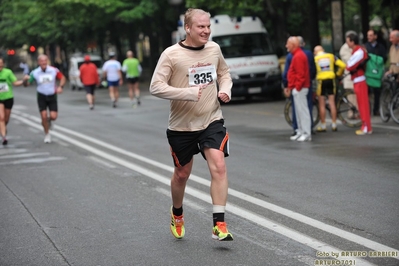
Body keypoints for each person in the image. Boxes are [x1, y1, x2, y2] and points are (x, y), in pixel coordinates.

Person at [149, 8, 233, 241]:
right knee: (182, 174)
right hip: (182, 126)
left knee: (219, 165)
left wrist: (225, 89)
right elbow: (155, 86)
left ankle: (219, 223)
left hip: (211, 120)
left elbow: (224, 73)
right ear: (188, 28)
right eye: (201, 27)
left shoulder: (214, 49)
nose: (206, 31)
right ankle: (177, 213)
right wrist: (186, 93)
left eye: (208, 26)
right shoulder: (171, 54)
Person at [24, 54, 66, 143]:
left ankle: (48, 121)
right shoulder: (35, 72)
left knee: (53, 116)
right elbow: (27, 84)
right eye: (42, 61)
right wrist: (25, 80)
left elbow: (62, 78)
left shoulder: (53, 70)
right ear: (38, 62)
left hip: (52, 95)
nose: (44, 62)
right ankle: (47, 134)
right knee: (43, 116)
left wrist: (60, 86)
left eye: (45, 60)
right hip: (41, 96)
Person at [282, 36, 316, 136]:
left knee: (302, 110)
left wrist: (296, 87)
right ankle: (302, 131)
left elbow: (300, 74)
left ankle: (305, 132)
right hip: (298, 87)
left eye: (288, 44)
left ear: (293, 45)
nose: (286, 46)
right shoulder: (296, 55)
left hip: (300, 87)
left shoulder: (298, 56)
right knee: (300, 110)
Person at [313, 45, 346, 132]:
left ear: (315, 52)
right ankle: (334, 124)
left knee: (322, 104)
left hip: (321, 81)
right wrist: (338, 74)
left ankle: (323, 125)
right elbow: (342, 65)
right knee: (332, 102)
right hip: (331, 79)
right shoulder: (331, 56)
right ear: (323, 50)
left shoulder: (315, 58)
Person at [346, 33, 372, 135]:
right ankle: (365, 126)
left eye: (348, 41)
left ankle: (366, 127)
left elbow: (350, 65)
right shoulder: (359, 51)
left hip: (359, 80)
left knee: (363, 105)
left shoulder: (358, 51)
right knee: (362, 104)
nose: (347, 43)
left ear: (352, 42)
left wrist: (349, 65)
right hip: (359, 80)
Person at [0, 57, 25, 145]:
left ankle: (3, 128)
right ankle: (4, 137)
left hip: (8, 97)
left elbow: (15, 83)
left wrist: (23, 82)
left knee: (6, 119)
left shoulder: (8, 72)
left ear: (3, 64)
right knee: (1, 117)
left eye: (1, 64)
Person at [365, 29, 387, 116]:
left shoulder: (380, 47)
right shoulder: (365, 46)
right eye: (368, 35)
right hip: (368, 72)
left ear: (375, 36)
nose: (369, 37)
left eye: (370, 35)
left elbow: (384, 58)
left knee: (377, 91)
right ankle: (368, 110)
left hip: (377, 72)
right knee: (367, 92)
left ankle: (376, 109)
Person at [340, 30, 358, 118]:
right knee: (350, 96)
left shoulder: (357, 48)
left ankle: (357, 112)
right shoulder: (344, 48)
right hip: (349, 76)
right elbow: (349, 61)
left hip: (355, 75)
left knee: (356, 95)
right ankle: (352, 113)